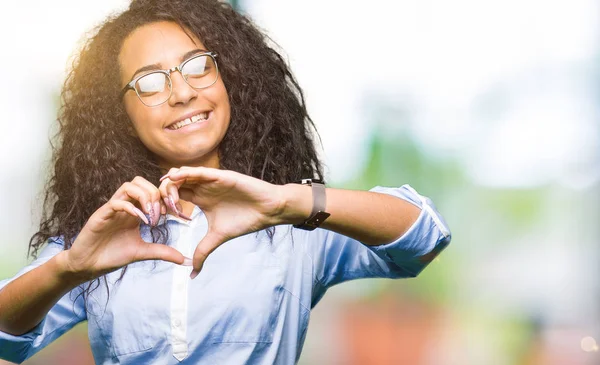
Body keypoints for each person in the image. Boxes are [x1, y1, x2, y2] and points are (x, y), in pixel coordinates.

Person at [0, 0, 451, 364]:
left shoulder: (290, 216)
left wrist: (286, 202)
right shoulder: (105, 231)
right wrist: (68, 269)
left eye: (197, 66)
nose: (181, 93)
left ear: (228, 76)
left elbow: (424, 237)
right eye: (150, 82)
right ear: (120, 114)